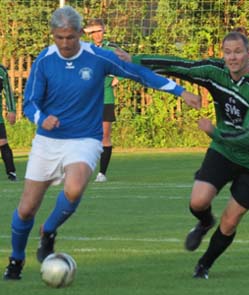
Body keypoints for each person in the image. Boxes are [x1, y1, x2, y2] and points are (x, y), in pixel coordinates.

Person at [3, 5, 201, 280]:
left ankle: (48, 231)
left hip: (85, 138)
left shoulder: (97, 57)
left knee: (73, 189)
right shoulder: (44, 60)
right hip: (48, 141)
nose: (65, 43)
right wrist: (41, 118)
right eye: (59, 38)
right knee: (26, 209)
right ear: (53, 35)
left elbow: (139, 74)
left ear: (79, 34)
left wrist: (180, 91)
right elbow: (30, 104)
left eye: (70, 37)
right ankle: (16, 260)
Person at [116, 31, 249, 279]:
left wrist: (214, 132)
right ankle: (204, 222)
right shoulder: (216, 72)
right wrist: (136, 60)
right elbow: (182, 66)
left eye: (238, 52)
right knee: (198, 202)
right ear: (222, 54)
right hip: (225, 151)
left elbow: (248, 137)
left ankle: (204, 265)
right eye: (228, 52)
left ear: (248, 54)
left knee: (230, 221)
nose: (232, 57)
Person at [84, 18, 122, 182]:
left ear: (104, 30)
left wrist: (118, 77)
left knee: (104, 135)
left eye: (99, 31)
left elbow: (126, 63)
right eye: (93, 32)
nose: (97, 35)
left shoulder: (112, 48)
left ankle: (102, 173)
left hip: (105, 97)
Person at [0, 64, 17, 181]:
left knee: (2, 142)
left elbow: (8, 91)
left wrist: (11, 110)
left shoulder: (1, 71)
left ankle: (11, 172)